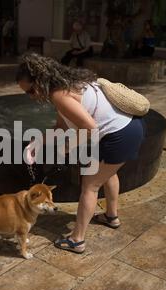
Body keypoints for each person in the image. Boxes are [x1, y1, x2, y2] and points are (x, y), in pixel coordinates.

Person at [17, 53, 146, 254]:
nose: (32, 96)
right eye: (27, 93)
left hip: (120, 135)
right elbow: (61, 127)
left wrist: (66, 148)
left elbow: (90, 127)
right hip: (128, 127)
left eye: (31, 90)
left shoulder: (59, 95)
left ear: (41, 81)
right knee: (108, 173)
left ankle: (77, 240)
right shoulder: (69, 82)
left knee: (90, 185)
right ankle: (111, 217)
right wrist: (37, 141)